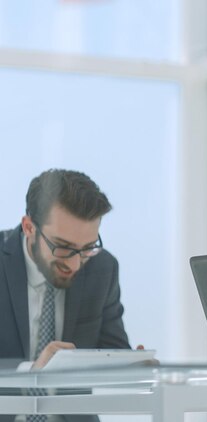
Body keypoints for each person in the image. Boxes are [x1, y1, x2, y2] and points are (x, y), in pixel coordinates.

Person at [0, 169, 132, 422]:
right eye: (63, 247)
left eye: (87, 248)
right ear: (29, 227)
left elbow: (112, 351)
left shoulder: (102, 268)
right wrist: (31, 372)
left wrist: (134, 363)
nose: (74, 264)